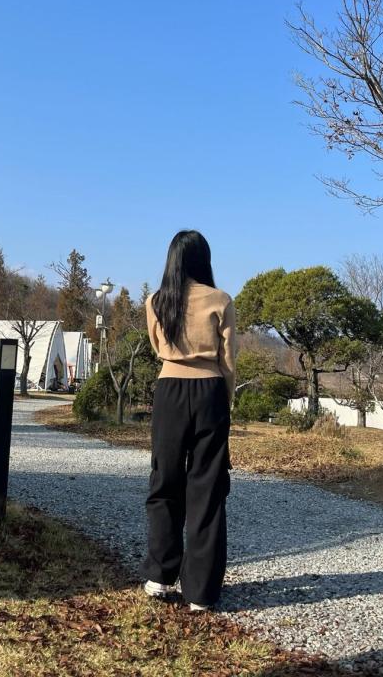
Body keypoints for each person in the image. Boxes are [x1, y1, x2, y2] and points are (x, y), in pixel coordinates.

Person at [141, 230, 236, 611]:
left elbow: (157, 347)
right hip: (211, 390)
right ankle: (201, 591)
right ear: (204, 259)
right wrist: (225, 402)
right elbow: (228, 360)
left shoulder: (156, 301)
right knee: (208, 488)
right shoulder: (221, 300)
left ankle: (160, 575)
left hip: (169, 391)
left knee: (164, 479)